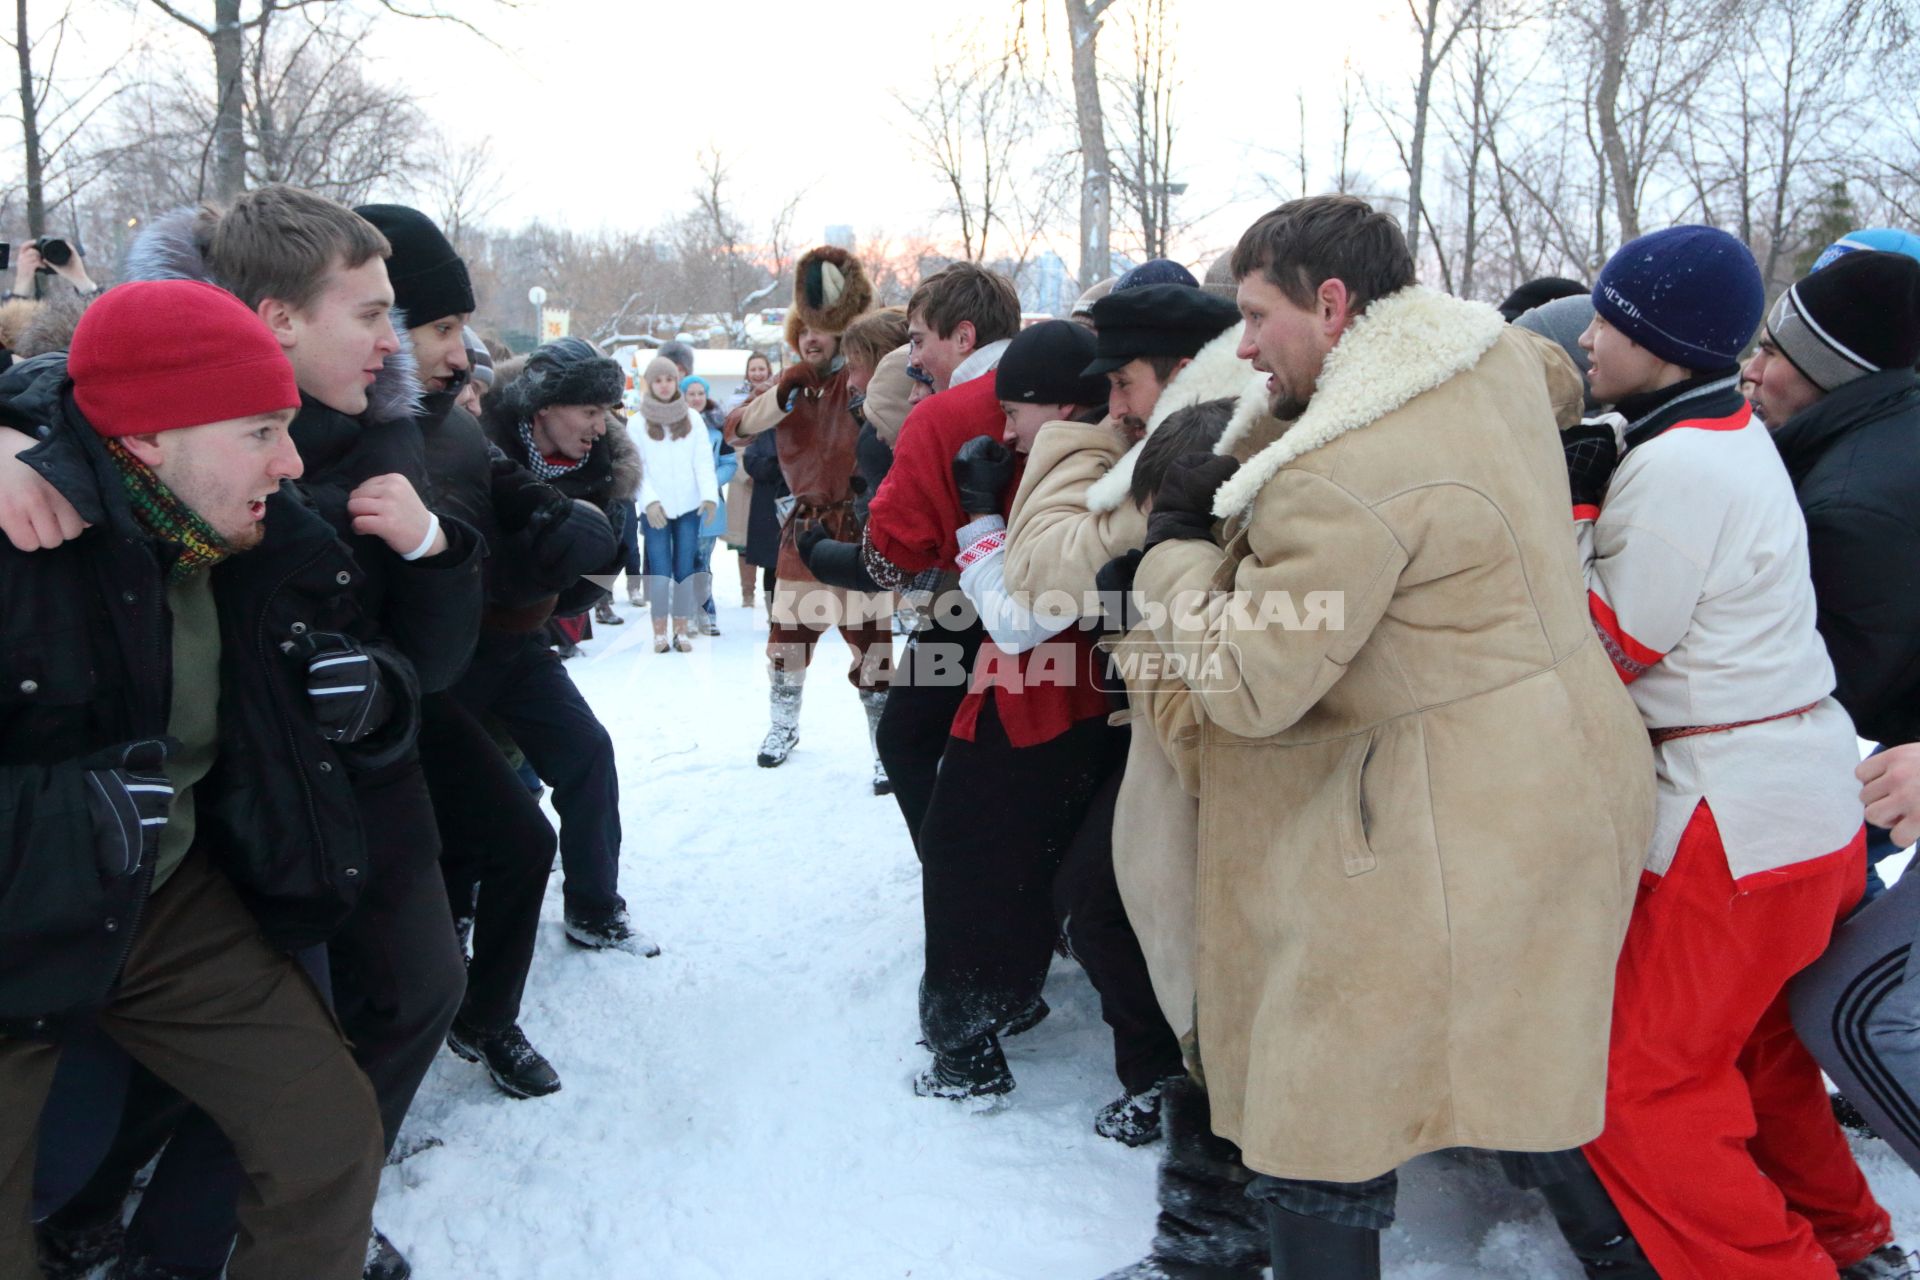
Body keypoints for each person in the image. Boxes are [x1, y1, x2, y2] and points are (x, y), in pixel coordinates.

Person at [1131, 195, 1657, 1277]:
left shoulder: (1342, 474)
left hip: (1433, 823)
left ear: (1333, 304)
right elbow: (1560, 377)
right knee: (1505, 1065)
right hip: (1542, 777)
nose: (1241, 346)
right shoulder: (1491, 355)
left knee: (1322, 1101)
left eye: (1258, 315)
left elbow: (1245, 681)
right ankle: (1625, 1255)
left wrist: (1175, 553)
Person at [1, 279, 397, 1280]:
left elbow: (376, 657)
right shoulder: (23, 536)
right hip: (15, 920)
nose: (292, 458)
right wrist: (58, 815)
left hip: (164, 900)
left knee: (325, 1132)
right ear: (144, 438)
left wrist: (374, 696)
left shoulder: (246, 535)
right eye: (260, 428)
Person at [1562, 224, 1901, 1279]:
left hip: (1731, 819)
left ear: (1660, 339)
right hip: (1799, 806)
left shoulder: (1684, 465)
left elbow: (1609, 646)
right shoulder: (1719, 427)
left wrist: (1566, 509)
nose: (1587, 336)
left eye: (1611, 319)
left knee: (1634, 1088)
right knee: (1760, 1059)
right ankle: (1852, 1242)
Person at [999, 286, 1262, 1278]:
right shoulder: (1159, 444)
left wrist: (1081, 467)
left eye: (1124, 379)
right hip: (1177, 745)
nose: (1111, 402)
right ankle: (1212, 1211)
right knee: (1127, 926)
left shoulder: (1210, 447)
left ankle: (1225, 1234)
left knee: (1216, 985)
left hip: (1226, 754)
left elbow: (1040, 577)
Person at [356, 202, 615, 1099]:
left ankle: (488, 1016)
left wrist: (557, 521)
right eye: (441, 327)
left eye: (461, 327)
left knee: (519, 839)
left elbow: (501, 488)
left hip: (436, 690)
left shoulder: (446, 424)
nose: (462, 353)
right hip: (359, 716)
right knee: (410, 917)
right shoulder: (327, 434)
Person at [1743, 252, 1920, 1180]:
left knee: (1853, 1006)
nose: (1753, 367)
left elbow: (1807, 689)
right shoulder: (1868, 445)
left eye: (1776, 351)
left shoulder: (1856, 504)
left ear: (1833, 373)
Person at [805, 263, 1024, 837]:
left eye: (920, 340)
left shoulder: (942, 413)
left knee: (905, 740)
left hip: (973, 610)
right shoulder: (1052, 387)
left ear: (965, 336)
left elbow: (887, 559)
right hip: (1070, 611)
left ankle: (954, 874)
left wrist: (819, 550)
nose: (914, 359)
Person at [477, 338, 654, 954]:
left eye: (607, 412)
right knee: (478, 784)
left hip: (524, 640)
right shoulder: (476, 437)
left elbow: (585, 594)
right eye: (589, 410)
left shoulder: (604, 471)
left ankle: (594, 907)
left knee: (587, 752)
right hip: (448, 647)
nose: (600, 426)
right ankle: (457, 903)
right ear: (545, 405)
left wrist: (584, 563)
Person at [733, 247, 894, 785]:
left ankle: (883, 746)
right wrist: (780, 393)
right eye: (802, 331)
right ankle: (783, 726)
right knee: (787, 642)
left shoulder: (865, 380)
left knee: (872, 647)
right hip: (803, 529)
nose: (809, 339)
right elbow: (736, 429)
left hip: (857, 526)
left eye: (819, 331)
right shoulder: (789, 386)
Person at [632, 357, 719, 653]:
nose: (665, 385)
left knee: (684, 567)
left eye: (669, 379)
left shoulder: (692, 418)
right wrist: (649, 501)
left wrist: (709, 495)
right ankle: (659, 631)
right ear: (650, 384)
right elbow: (637, 467)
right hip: (656, 509)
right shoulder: (637, 421)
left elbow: (703, 460)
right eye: (658, 380)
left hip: (687, 507)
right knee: (660, 569)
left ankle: (681, 629)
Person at [682, 376, 736, 634]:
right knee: (682, 561)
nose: (696, 398)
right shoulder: (671, 428)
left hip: (708, 508)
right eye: (690, 394)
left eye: (700, 393)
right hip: (679, 506)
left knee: (702, 561)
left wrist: (710, 482)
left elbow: (730, 463)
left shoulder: (717, 428)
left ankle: (706, 612)